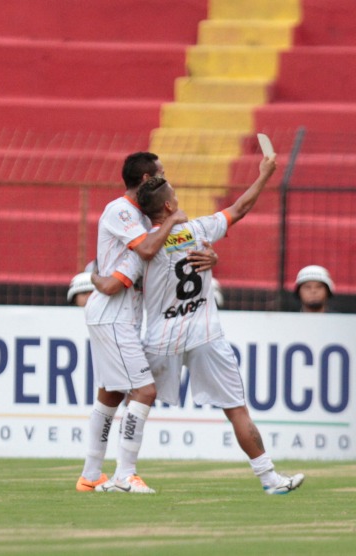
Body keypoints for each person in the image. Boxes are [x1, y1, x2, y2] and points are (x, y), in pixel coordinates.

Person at [119, 153, 304, 494]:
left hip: (161, 335)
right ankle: (270, 479)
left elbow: (132, 266)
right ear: (171, 204)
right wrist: (264, 174)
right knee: (236, 409)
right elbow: (240, 207)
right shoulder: (200, 229)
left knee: (137, 399)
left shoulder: (144, 242)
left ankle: (123, 473)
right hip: (205, 333)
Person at [76, 151, 216, 494]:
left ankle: (91, 474)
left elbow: (117, 274)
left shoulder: (139, 219)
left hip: (119, 314)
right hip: (113, 317)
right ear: (145, 180)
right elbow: (147, 252)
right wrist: (173, 220)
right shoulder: (121, 211)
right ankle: (125, 473)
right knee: (145, 390)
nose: (166, 179)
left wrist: (210, 255)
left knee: (110, 394)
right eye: (161, 174)